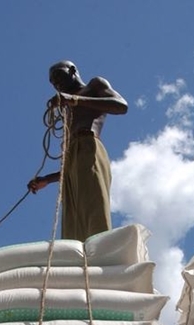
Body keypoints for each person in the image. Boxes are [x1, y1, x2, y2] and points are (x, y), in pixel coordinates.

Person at [27, 60, 128, 242]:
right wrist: (47, 180)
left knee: (94, 207)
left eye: (58, 76)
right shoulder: (66, 111)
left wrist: (75, 100)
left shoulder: (94, 85)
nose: (55, 83)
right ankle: (78, 259)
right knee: (72, 218)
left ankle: (102, 252)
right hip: (72, 156)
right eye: (52, 82)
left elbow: (121, 106)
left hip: (89, 144)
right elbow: (72, 165)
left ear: (72, 71)